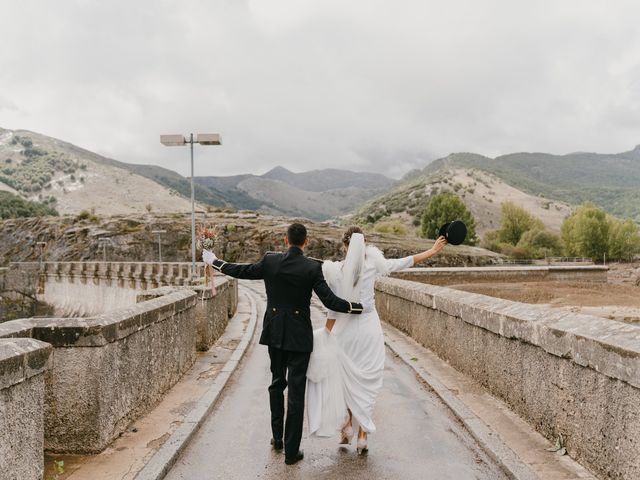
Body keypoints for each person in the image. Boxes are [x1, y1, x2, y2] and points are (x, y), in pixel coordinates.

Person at [202, 223, 364, 465]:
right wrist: (356, 307)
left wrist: (215, 261)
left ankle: (277, 438)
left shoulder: (270, 262)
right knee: (296, 394)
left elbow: (242, 271)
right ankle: (291, 452)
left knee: (276, 384)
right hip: (300, 338)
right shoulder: (312, 267)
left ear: (285, 240)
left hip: (275, 333)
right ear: (305, 242)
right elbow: (330, 301)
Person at [306, 226, 447, 454]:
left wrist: (326, 334)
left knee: (348, 381)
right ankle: (362, 435)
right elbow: (406, 261)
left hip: (345, 330)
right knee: (368, 381)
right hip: (369, 329)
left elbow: (333, 310)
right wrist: (432, 250)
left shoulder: (334, 271)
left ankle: (348, 428)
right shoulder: (373, 265)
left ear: (344, 246)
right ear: (364, 246)